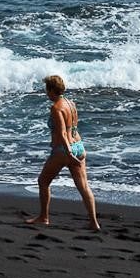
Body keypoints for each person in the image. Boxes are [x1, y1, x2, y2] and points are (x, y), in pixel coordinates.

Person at [25, 74, 100, 231]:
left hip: (64, 151)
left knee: (43, 182)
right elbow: (72, 129)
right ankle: (94, 222)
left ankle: (44, 217)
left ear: (52, 90)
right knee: (84, 187)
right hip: (79, 145)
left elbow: (62, 134)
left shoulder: (56, 108)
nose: (46, 93)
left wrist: (69, 153)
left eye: (47, 90)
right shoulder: (70, 103)